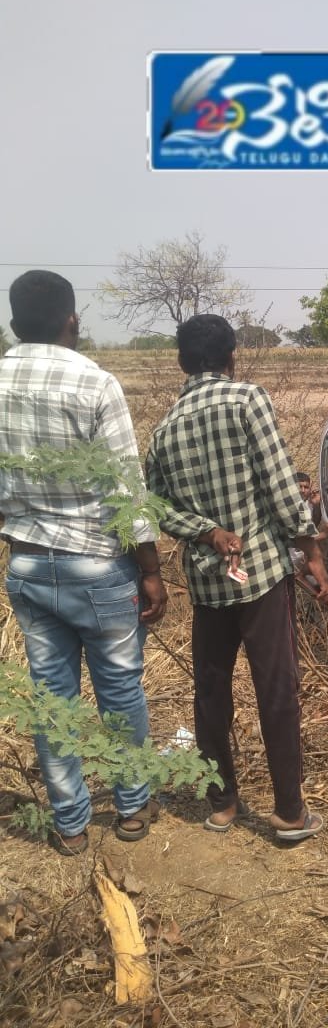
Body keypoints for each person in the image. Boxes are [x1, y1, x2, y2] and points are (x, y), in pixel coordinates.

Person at [0, 270, 167, 856]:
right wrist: (150, 570)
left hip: (26, 566)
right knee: (120, 690)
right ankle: (130, 807)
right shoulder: (96, 383)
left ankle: (69, 823)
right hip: (98, 566)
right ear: (72, 321)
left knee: (53, 699)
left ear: (16, 324)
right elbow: (128, 490)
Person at [146, 314, 328, 840]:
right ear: (231, 357)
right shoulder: (247, 400)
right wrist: (311, 550)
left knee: (211, 691)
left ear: (183, 363)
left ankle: (222, 804)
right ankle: (290, 812)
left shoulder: (164, 430)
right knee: (276, 688)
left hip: (208, 584)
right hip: (263, 579)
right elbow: (278, 485)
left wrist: (205, 531)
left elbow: (153, 506)